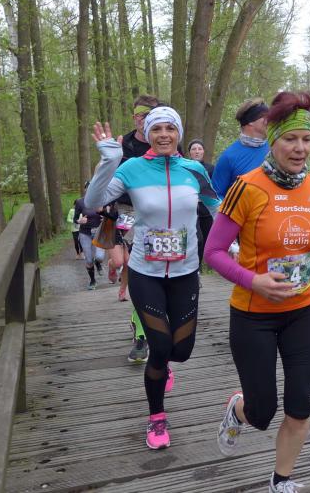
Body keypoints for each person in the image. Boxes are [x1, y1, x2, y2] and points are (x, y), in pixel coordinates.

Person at [204, 91, 310, 493]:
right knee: (262, 411)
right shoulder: (246, 188)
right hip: (253, 315)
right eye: (290, 139)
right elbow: (212, 252)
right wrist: (252, 280)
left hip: (303, 312)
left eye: (306, 139)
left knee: (301, 406)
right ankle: (238, 410)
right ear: (273, 140)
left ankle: (281, 480)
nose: (300, 148)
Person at [85, 106, 221, 450]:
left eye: (169, 129)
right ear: (147, 133)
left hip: (185, 272)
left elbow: (216, 208)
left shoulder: (194, 170)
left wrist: (231, 243)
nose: (163, 135)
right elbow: (93, 201)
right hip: (145, 273)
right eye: (156, 129)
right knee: (159, 348)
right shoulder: (131, 168)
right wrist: (108, 162)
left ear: (178, 134)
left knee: (182, 350)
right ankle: (157, 417)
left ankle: (165, 365)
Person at [118, 95, 165, 362]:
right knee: (141, 269)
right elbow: (106, 184)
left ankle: (148, 326)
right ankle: (141, 334)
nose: (144, 120)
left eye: (149, 115)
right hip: (129, 214)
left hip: (162, 214)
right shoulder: (123, 144)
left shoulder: (168, 140)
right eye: (140, 115)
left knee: (157, 273)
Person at [210, 98, 269, 199]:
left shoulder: (276, 149)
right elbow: (215, 196)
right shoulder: (229, 157)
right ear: (250, 121)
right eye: (266, 117)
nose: (270, 120)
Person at [188, 139, 214, 266]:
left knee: (207, 239)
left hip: (206, 208)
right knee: (197, 239)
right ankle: (194, 267)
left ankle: (199, 266)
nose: (197, 151)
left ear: (203, 152)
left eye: (199, 149)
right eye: (194, 149)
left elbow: (216, 188)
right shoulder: (184, 167)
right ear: (189, 153)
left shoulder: (211, 168)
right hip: (190, 207)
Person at [73, 186, 105, 290]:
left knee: (100, 257)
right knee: (89, 259)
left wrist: (105, 217)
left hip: (99, 233)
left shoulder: (102, 200)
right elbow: (75, 219)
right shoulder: (80, 202)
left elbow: (110, 214)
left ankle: (98, 263)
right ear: (85, 190)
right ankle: (92, 281)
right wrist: (79, 221)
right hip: (85, 233)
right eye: (88, 189)